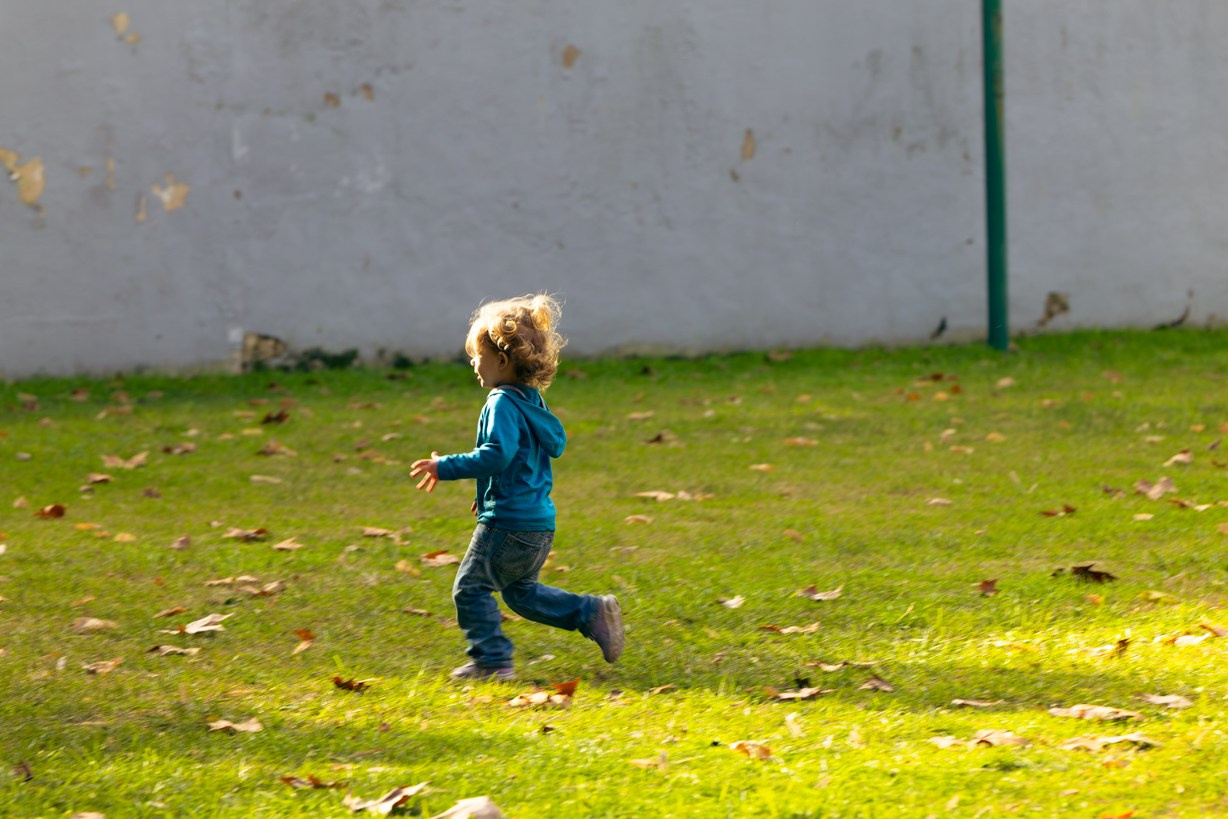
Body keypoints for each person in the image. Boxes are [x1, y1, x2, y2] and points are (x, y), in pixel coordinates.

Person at [410, 294, 624, 681]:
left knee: (470, 589)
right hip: (537, 523)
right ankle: (591, 612)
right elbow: (523, 460)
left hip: (508, 523)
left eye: (478, 355)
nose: (473, 362)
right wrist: (488, 494)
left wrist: (446, 466)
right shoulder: (533, 402)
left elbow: (497, 454)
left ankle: (492, 662)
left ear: (502, 361)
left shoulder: (501, 403)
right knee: (520, 593)